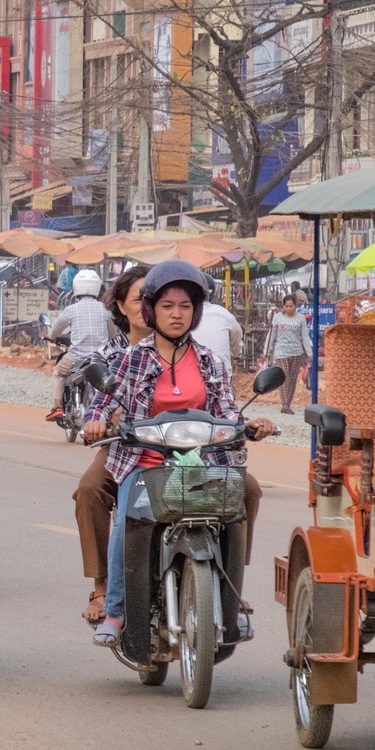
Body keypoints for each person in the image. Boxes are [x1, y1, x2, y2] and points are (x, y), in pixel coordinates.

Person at [83, 260, 275, 646]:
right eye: (168, 306)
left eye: (185, 306)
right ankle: (118, 611)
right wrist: (95, 422)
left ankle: (229, 596)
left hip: (204, 463)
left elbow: (226, 411)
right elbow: (100, 405)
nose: (176, 314)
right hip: (144, 464)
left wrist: (251, 424)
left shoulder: (210, 361)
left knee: (240, 498)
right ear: (152, 310)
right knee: (124, 521)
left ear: (196, 312)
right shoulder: (129, 359)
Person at [71, 266, 149, 624]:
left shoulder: (194, 353)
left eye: (158, 298)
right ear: (120, 305)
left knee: (246, 489)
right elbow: (98, 404)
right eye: (140, 298)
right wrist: (97, 420)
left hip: (185, 449)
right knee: (90, 489)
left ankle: (225, 585)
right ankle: (102, 584)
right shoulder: (112, 355)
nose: (150, 306)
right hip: (127, 447)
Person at [46, 269, 111, 421]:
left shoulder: (71, 309)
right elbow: (113, 334)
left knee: (58, 373)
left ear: (75, 288)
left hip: (76, 357)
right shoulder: (105, 310)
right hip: (101, 359)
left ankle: (57, 407)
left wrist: (52, 337)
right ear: (97, 288)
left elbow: (55, 329)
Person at [265, 294, 312, 415]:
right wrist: (266, 350)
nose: (289, 308)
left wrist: (309, 353)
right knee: (284, 376)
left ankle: (288, 404)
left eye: (291, 306)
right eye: (287, 306)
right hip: (281, 351)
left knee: (292, 379)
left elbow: (305, 336)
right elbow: (271, 335)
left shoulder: (300, 318)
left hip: (296, 352)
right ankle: (284, 404)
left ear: (295, 306)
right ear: (283, 306)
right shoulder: (278, 318)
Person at [191, 274, 243, 374]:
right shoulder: (223, 313)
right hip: (222, 381)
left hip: (189, 380)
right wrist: (236, 355)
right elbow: (237, 339)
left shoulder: (183, 315)